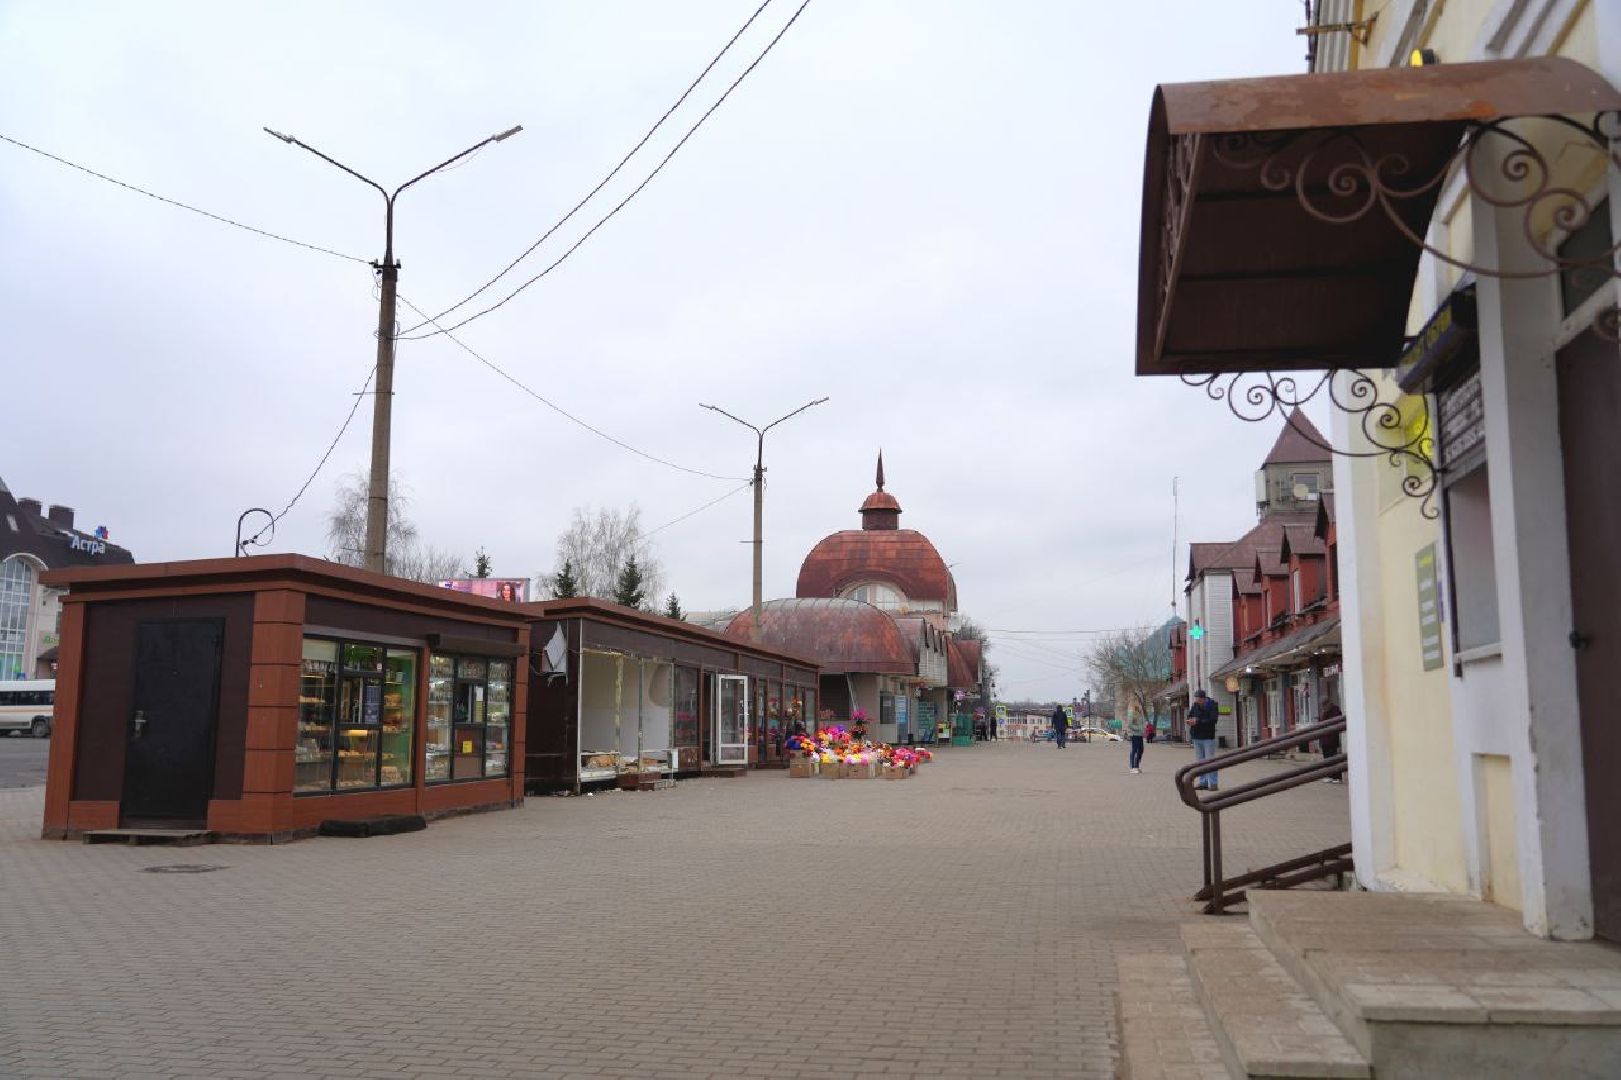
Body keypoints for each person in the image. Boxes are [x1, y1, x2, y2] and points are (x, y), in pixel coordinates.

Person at [1188, 689, 1221, 790]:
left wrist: (1198, 721)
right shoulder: (1195, 705)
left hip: (1208, 737)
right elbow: (1190, 715)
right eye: (1196, 698)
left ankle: (1213, 783)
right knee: (1200, 761)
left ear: (1203, 698)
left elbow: (1213, 720)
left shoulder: (1212, 705)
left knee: (1210, 760)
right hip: (1196, 736)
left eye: (1198, 699)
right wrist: (1190, 720)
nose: (1196, 700)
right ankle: (1203, 782)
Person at [1318, 697, 1345, 784]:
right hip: (1324, 739)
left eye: (1325, 704)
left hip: (1332, 739)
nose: (1324, 706)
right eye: (1323, 705)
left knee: (1334, 759)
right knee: (1327, 759)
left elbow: (1336, 723)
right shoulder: (1324, 711)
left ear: (1329, 703)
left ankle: (1337, 777)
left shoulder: (1335, 710)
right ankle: (1329, 776)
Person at [1124, 704, 1146, 774]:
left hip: (1140, 734)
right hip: (1135, 734)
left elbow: (1142, 723)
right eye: (1139, 705)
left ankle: (1136, 766)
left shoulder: (1140, 713)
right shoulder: (1132, 713)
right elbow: (1129, 724)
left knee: (1141, 750)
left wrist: (1143, 728)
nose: (1140, 706)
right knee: (1134, 750)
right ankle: (1132, 767)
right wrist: (1138, 728)